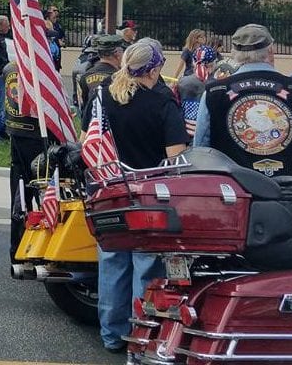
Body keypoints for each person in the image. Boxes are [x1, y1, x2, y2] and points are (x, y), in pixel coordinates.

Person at [81, 38, 188, 353]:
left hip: (108, 190)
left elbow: (87, 137)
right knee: (146, 267)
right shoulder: (163, 102)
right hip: (148, 196)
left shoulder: (102, 94)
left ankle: (111, 335)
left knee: (113, 263)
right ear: (154, 69)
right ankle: (140, 337)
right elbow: (175, 155)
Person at [194, 24, 292, 182]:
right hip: (291, 195)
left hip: (235, 194)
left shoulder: (215, 92)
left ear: (234, 54)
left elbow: (201, 150)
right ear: (270, 51)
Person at [3, 60, 57, 262]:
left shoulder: (9, 68)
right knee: (44, 195)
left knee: (19, 194)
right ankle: (36, 248)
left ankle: (16, 248)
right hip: (36, 137)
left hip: (16, 134)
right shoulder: (37, 72)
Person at [174, 45, 217, 138]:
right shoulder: (217, 86)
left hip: (184, 133)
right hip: (208, 134)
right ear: (213, 63)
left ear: (193, 62)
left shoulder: (182, 82)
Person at [78, 34, 125, 111]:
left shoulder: (85, 76)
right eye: (122, 51)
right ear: (117, 53)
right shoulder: (120, 78)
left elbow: (84, 107)